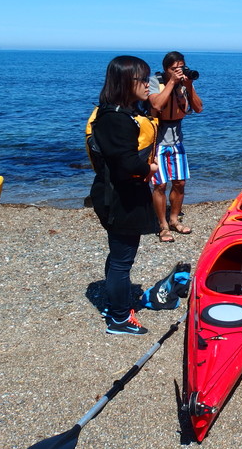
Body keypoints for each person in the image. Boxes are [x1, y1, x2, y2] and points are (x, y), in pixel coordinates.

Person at [89, 55, 159, 335]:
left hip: (118, 195)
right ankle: (118, 318)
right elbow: (125, 163)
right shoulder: (116, 119)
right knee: (122, 259)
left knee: (118, 254)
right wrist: (150, 166)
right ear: (124, 82)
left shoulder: (117, 112)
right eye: (142, 80)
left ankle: (114, 303)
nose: (148, 85)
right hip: (119, 199)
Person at [147, 51, 204, 242]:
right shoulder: (155, 81)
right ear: (166, 69)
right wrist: (171, 82)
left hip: (177, 139)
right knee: (160, 184)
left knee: (180, 183)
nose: (178, 72)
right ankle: (162, 225)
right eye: (174, 69)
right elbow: (156, 104)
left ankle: (174, 220)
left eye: (180, 68)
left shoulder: (185, 84)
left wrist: (188, 86)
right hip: (157, 140)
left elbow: (198, 108)